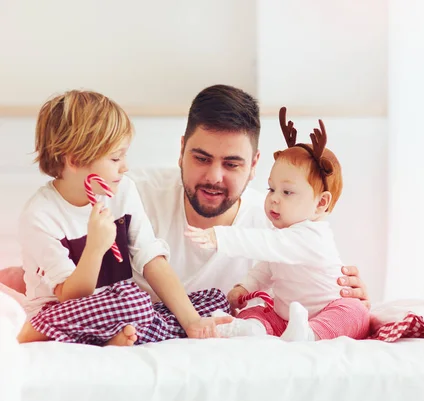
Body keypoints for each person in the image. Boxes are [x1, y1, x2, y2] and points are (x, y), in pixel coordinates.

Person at [16, 90, 232, 346]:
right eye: (115, 158)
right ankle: (42, 332)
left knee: (216, 301)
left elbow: (151, 260)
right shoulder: (40, 215)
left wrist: (192, 322)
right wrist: (95, 248)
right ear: (74, 160)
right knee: (135, 301)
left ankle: (121, 335)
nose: (125, 166)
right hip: (61, 311)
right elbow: (70, 296)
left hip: (117, 310)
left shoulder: (123, 191)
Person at [129, 85, 369, 310]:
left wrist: (347, 302)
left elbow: (314, 298)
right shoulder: (133, 195)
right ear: (181, 151)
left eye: (231, 164)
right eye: (201, 159)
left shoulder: (280, 224)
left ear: (254, 164)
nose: (214, 177)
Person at [185, 107, 371, 341]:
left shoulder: (312, 236)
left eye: (287, 192)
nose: (274, 198)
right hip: (286, 315)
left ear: (320, 203)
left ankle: (310, 334)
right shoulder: (281, 235)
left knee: (356, 313)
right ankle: (250, 328)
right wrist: (245, 287)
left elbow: (265, 244)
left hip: (326, 308)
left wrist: (219, 237)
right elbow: (266, 267)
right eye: (271, 189)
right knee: (261, 307)